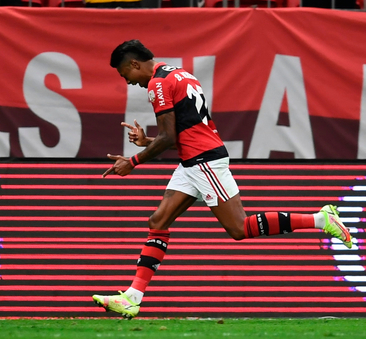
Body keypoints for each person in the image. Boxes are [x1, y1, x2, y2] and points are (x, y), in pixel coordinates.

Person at [92, 39, 353, 319]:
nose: (130, 83)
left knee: (239, 228)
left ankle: (320, 219)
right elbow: (184, 131)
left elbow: (170, 136)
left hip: (203, 161)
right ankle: (133, 297)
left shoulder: (158, 84)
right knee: (158, 221)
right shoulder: (180, 73)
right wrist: (148, 142)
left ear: (134, 64)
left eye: (125, 76)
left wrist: (132, 162)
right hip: (192, 160)